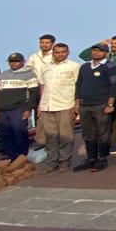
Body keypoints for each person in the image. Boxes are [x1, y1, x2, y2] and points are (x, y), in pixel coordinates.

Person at [73, 43, 116, 172]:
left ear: (105, 53)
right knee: (88, 133)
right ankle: (91, 158)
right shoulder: (85, 67)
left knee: (103, 133)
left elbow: (113, 86)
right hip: (85, 105)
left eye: (99, 51)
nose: (96, 53)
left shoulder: (110, 66)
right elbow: (79, 85)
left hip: (102, 104)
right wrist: (77, 104)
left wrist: (110, 104)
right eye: (94, 50)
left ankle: (102, 158)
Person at [37, 43, 81, 172]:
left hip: (65, 105)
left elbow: (78, 87)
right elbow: (42, 87)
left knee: (66, 136)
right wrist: (40, 105)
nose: (60, 54)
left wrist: (76, 105)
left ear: (68, 53)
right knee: (50, 136)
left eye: (63, 52)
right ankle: (52, 162)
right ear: (53, 53)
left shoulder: (73, 66)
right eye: (57, 52)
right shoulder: (45, 67)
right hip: (47, 106)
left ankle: (64, 161)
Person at [0, 53, 39, 161]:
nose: (13, 63)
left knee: (19, 132)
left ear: (22, 62)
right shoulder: (3, 74)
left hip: (19, 108)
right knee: (5, 133)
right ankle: (10, 154)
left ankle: (21, 155)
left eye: (16, 61)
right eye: (11, 61)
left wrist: (28, 109)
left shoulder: (30, 74)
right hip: (3, 109)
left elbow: (33, 93)